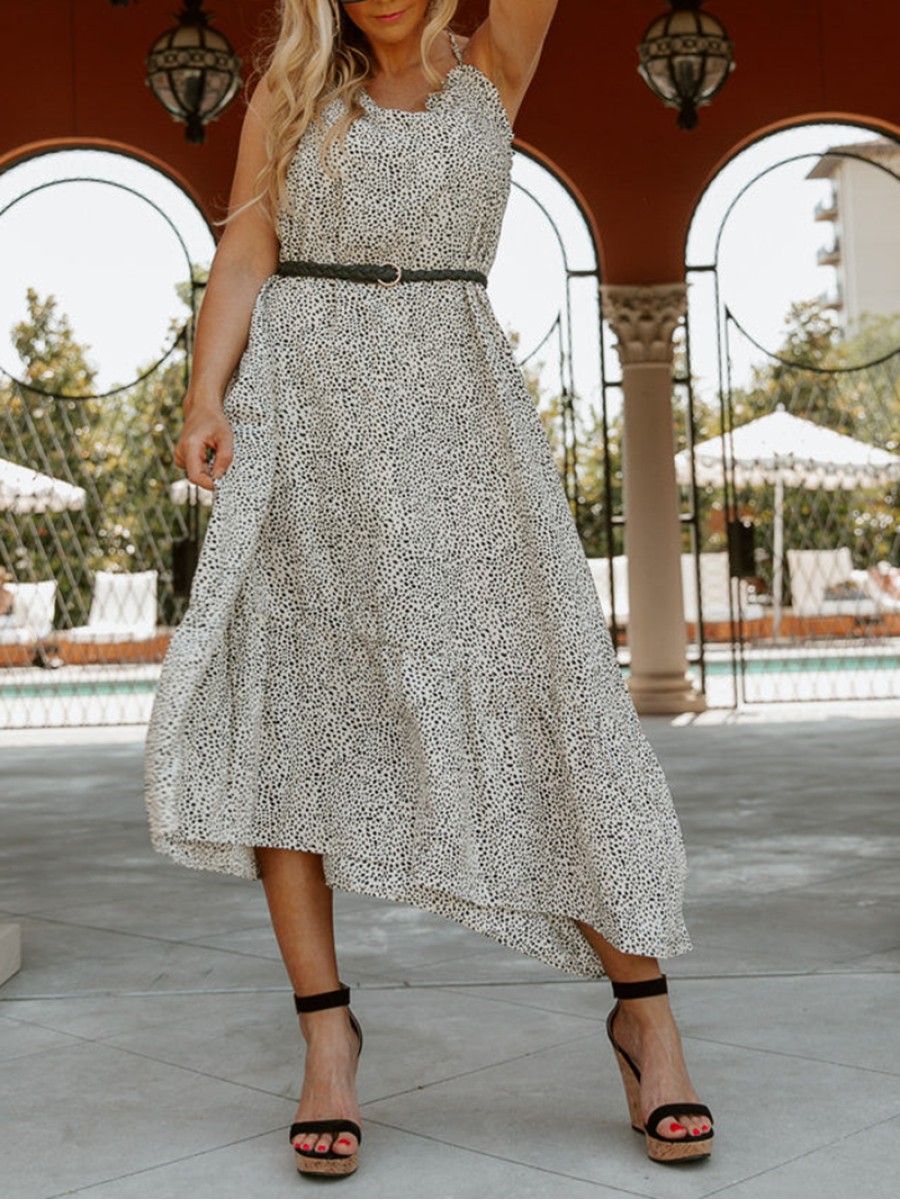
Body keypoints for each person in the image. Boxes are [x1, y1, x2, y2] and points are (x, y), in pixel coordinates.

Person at [143, 0, 714, 1179]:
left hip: (457, 412)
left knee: (547, 702)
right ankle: (328, 1043)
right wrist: (206, 392)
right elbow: (246, 250)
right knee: (292, 717)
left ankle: (645, 1016)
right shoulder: (293, 90)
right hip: (306, 413)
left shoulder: (493, 64)